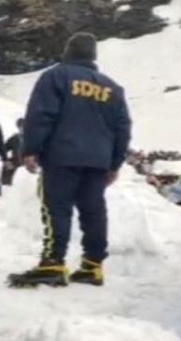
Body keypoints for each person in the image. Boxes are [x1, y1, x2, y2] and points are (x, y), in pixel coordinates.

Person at [7, 31, 132, 288]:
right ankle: (93, 266)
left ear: (68, 51)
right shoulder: (112, 88)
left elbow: (41, 115)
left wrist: (30, 149)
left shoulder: (56, 76)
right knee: (94, 211)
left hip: (61, 156)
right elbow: (122, 128)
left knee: (57, 208)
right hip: (98, 160)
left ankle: (53, 263)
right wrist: (115, 163)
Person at [1, 117, 25, 186]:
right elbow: (4, 149)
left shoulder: (33, 137)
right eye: (20, 127)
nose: (22, 129)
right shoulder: (14, 138)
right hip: (16, 159)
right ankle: (6, 185)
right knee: (7, 165)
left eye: (24, 127)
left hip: (30, 159)